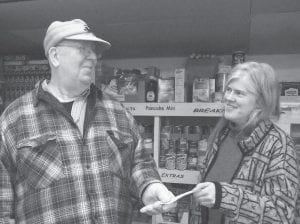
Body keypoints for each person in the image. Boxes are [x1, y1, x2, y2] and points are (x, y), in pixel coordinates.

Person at [0, 19, 175, 224]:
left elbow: (139, 163)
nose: (93, 57)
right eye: (83, 49)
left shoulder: (117, 111)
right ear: (55, 56)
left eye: (94, 51)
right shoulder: (14, 119)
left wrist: (150, 187)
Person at [192, 62, 299, 223]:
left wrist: (225, 196)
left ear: (260, 101)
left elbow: (281, 214)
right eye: (228, 90)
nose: (228, 98)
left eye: (239, 93)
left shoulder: (279, 145)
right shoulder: (222, 134)